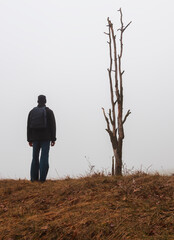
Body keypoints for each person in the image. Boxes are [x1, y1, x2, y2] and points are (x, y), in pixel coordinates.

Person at [27, 95, 56, 182]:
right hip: (46, 138)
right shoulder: (49, 112)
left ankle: (33, 179)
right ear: (45, 101)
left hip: (35, 138)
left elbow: (28, 126)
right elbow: (53, 126)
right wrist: (53, 139)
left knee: (35, 158)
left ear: (37, 101)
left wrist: (29, 139)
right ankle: (42, 179)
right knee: (44, 157)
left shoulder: (32, 112)